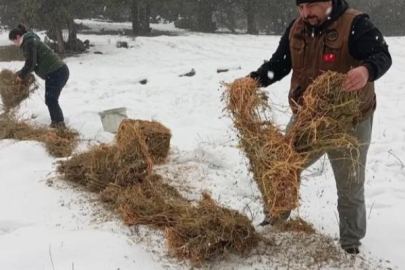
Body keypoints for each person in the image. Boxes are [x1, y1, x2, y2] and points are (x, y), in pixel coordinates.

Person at [248, 0, 392, 254]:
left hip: (349, 121)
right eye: (300, 7)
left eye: (311, 6)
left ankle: (350, 243)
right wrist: (251, 82)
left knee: (349, 184)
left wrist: (366, 71)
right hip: (307, 117)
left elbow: (382, 55)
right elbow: (279, 64)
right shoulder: (297, 28)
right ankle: (275, 219)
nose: (305, 13)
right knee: (282, 166)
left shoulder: (355, 24)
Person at [9, 24, 69, 129]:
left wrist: (21, 76)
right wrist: (19, 74)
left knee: (51, 99)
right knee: (51, 99)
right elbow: (33, 64)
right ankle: (56, 122)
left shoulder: (29, 42)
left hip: (55, 71)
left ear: (18, 37)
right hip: (59, 70)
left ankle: (59, 124)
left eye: (14, 41)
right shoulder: (31, 40)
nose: (15, 44)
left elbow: (31, 63)